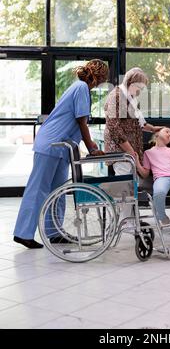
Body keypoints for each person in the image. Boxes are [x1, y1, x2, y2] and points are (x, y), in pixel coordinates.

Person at [13, 59, 109, 249]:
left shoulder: (81, 89)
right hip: (51, 144)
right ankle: (22, 233)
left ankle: (54, 232)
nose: (105, 80)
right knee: (38, 189)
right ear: (99, 75)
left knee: (57, 192)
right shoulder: (81, 87)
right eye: (105, 76)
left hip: (62, 147)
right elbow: (81, 121)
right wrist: (92, 148)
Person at [104, 67, 161, 175]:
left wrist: (152, 129)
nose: (140, 91)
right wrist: (129, 150)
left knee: (131, 183)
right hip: (121, 150)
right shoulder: (116, 96)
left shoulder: (130, 97)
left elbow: (137, 121)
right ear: (130, 82)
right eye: (139, 87)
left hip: (129, 149)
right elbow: (114, 127)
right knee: (124, 183)